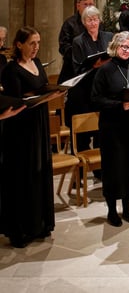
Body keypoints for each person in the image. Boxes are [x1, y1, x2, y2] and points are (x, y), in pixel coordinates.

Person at [0, 26, 64, 247]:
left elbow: (42, 88)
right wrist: (49, 98)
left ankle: (39, 223)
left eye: (38, 43)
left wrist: (53, 93)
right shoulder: (10, 70)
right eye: (32, 43)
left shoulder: (36, 64)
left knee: (39, 173)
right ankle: (19, 230)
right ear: (19, 44)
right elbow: (18, 102)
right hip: (19, 129)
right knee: (21, 177)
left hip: (39, 124)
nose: (36, 47)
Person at [91, 31, 129, 227]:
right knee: (114, 168)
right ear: (115, 47)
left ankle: (126, 208)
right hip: (112, 128)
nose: (126, 50)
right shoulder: (106, 70)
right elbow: (96, 98)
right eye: (123, 46)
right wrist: (119, 105)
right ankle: (111, 211)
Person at [67, 6, 113, 154]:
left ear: (99, 20)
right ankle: (81, 170)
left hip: (103, 89)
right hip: (84, 91)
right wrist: (94, 66)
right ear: (84, 22)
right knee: (84, 134)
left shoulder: (108, 37)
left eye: (95, 19)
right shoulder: (78, 42)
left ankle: (100, 170)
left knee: (103, 131)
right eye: (89, 20)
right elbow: (77, 68)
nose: (93, 23)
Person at [57, 0, 96, 83]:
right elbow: (63, 47)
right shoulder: (69, 24)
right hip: (73, 70)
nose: (88, 7)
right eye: (85, 4)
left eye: (91, 4)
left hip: (93, 69)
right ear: (78, 6)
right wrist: (80, 55)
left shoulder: (98, 23)